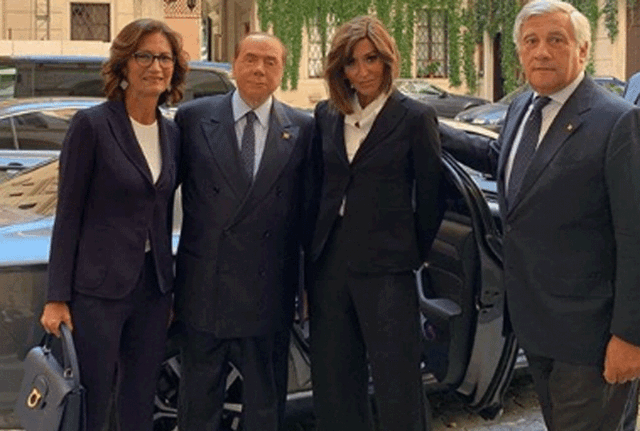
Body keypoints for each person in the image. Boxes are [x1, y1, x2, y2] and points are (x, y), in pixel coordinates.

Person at [439, 1, 640, 430]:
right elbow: (502, 160)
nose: (542, 51)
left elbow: (635, 236)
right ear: (520, 52)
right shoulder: (523, 109)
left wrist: (630, 336)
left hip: (591, 339)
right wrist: (433, 129)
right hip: (535, 329)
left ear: (582, 50)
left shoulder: (617, 122)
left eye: (556, 40)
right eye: (531, 41)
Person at [39, 18, 187, 431]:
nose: (156, 66)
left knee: (138, 400)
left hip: (153, 291)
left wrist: (169, 286)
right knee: (93, 401)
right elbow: (68, 214)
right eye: (144, 56)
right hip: (97, 291)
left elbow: (161, 211)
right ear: (124, 64)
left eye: (165, 58)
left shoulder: (172, 133)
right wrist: (56, 297)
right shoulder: (92, 126)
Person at [173, 32, 318, 431]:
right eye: (251, 59)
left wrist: (306, 287)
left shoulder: (303, 128)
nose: (259, 69)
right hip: (205, 287)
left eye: (271, 62)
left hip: (269, 291)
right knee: (197, 404)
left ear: (282, 72)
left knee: (265, 407)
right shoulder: (193, 119)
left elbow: (308, 215)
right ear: (233, 65)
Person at [308, 15, 443, 431]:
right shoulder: (327, 114)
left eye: (371, 59)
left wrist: (409, 253)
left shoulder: (415, 117)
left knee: (396, 381)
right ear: (340, 68)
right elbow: (317, 188)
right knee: (334, 381)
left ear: (387, 60)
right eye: (351, 62)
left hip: (388, 267)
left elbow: (432, 198)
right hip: (331, 264)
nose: (362, 71)